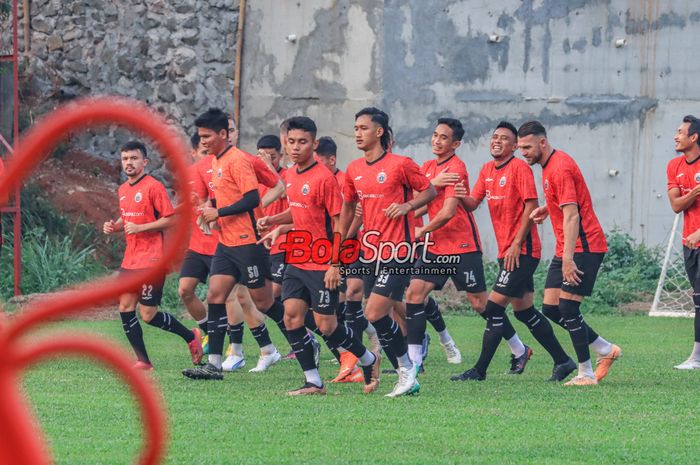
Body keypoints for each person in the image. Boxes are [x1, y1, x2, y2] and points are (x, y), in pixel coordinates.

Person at [258, 116, 381, 395]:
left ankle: (368, 359)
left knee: (327, 326)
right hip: (297, 259)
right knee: (291, 317)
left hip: (323, 261)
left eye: (303, 142)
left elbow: (338, 222)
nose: (296, 147)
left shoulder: (324, 178)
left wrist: (335, 264)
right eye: (291, 142)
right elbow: (301, 210)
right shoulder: (290, 175)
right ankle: (313, 381)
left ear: (314, 144)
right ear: (285, 143)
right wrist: (274, 220)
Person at [450, 121, 575, 382]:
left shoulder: (519, 168)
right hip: (506, 252)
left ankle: (479, 370)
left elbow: (532, 206)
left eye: (505, 139)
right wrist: (460, 194)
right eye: (494, 137)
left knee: (493, 308)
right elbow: (472, 204)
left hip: (522, 251)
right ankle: (563, 361)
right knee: (524, 311)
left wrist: (517, 243)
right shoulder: (486, 170)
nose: (497, 141)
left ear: (515, 146)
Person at [338, 107, 437, 397]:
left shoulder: (400, 164)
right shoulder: (353, 170)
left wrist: (407, 207)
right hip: (371, 252)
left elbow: (429, 192)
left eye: (364, 128)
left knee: (373, 311)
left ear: (379, 132)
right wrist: (342, 244)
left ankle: (406, 371)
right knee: (382, 314)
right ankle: (407, 371)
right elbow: (348, 208)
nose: (358, 133)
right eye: (355, 128)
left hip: (399, 251)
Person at [182, 108, 286, 380]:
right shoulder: (216, 161)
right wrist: (210, 210)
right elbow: (226, 199)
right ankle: (214, 365)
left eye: (207, 136)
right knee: (215, 296)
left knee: (264, 303)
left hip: (248, 242)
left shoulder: (238, 160)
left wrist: (219, 212)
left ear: (223, 134)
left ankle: (301, 334)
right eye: (200, 136)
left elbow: (252, 199)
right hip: (226, 243)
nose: (203, 141)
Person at [518, 121, 621, 386]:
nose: (523, 152)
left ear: (543, 142)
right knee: (552, 308)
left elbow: (573, 215)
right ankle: (605, 349)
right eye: (521, 148)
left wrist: (568, 259)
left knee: (568, 307)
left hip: (583, 247)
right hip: (568, 247)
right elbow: (565, 203)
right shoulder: (548, 165)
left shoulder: (560, 166)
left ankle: (585, 373)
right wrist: (547, 208)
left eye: (527, 147)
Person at [104, 140, 203, 370]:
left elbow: (169, 219)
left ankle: (190, 336)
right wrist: (114, 226)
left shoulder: (153, 186)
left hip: (151, 260)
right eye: (125, 159)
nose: (129, 163)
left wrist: (140, 228)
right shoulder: (122, 189)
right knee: (125, 307)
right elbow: (126, 218)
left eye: (134, 158)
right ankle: (143, 361)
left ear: (144, 162)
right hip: (130, 259)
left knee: (148, 315)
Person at [666, 115, 700, 369]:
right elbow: (676, 205)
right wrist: (696, 192)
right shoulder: (674, 166)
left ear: (694, 137)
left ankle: (696, 357)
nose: (676, 136)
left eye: (681, 132)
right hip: (690, 245)